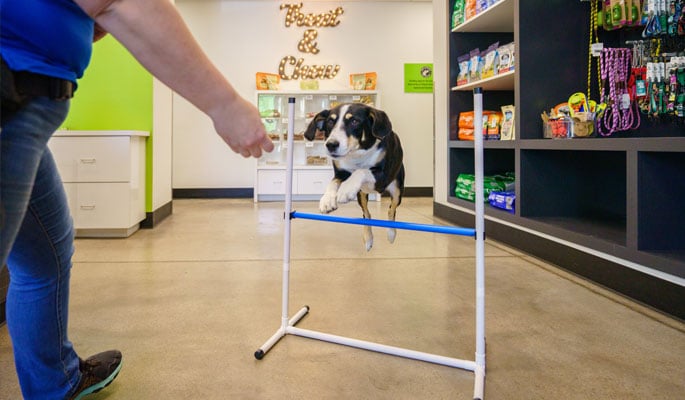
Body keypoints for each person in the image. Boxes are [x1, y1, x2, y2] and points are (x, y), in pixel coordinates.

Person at [0, 0, 274, 398]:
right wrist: (225, 105)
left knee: (46, 259)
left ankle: (54, 383)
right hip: (11, 100)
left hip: (27, 107)